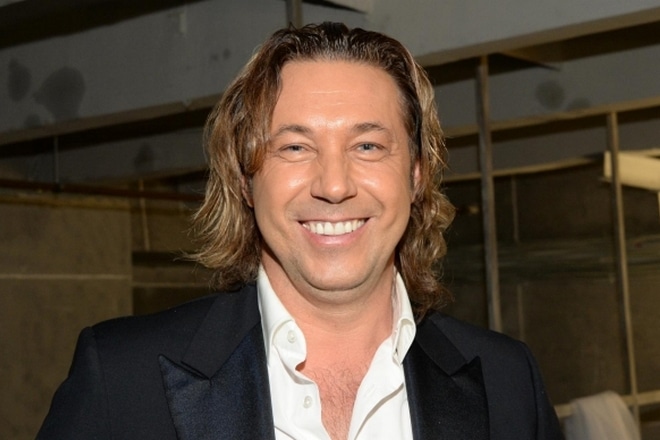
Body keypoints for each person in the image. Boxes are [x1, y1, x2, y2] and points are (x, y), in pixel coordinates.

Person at [37, 22, 563, 440]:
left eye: (367, 146)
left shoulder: (508, 381)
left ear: (416, 175)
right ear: (245, 180)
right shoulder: (122, 380)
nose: (333, 186)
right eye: (294, 147)